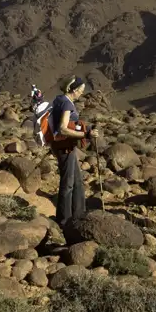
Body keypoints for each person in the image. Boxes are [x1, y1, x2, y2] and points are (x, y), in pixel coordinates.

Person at [49, 76, 98, 228]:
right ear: (74, 89)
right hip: (65, 148)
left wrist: (86, 129)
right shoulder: (66, 103)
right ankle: (64, 221)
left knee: (77, 182)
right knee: (68, 183)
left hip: (64, 146)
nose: (81, 93)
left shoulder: (59, 99)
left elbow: (70, 124)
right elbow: (63, 128)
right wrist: (86, 135)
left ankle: (78, 215)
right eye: (80, 90)